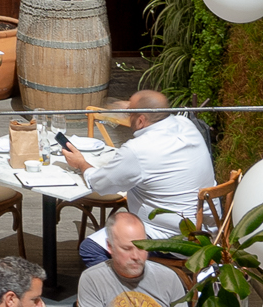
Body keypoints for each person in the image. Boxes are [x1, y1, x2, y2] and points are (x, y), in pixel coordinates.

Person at [62, 91, 214, 257]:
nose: (126, 114)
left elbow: (100, 184)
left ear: (141, 120)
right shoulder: (186, 124)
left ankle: (141, 281)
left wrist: (81, 163)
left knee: (90, 249)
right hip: (205, 231)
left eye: (129, 111)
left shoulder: (138, 149)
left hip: (171, 238)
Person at [77, 213, 187, 307]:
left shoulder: (168, 278)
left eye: (141, 247)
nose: (136, 256)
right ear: (110, 246)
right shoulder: (93, 279)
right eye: (127, 249)